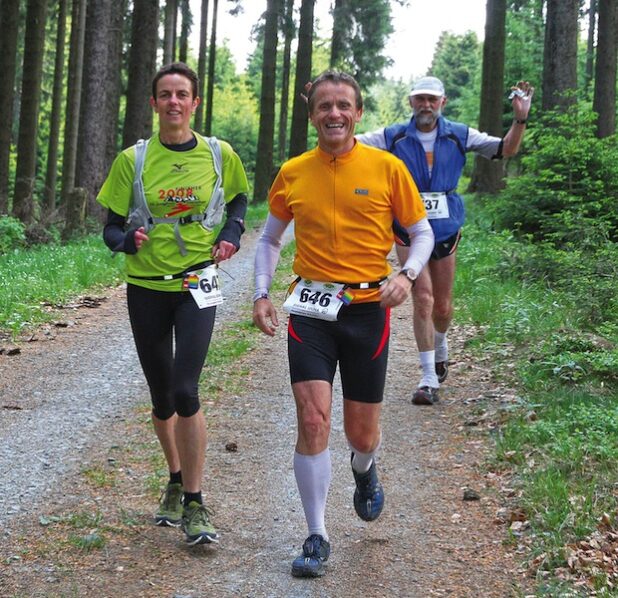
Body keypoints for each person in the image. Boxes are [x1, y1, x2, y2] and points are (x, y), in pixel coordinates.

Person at [252, 71, 434, 578]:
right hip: (311, 307)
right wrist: (261, 293)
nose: (334, 114)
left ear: (357, 113)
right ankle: (316, 534)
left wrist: (408, 274)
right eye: (324, 106)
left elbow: (420, 233)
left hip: (367, 308)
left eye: (343, 106)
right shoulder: (293, 171)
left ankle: (364, 468)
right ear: (312, 115)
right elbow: (268, 240)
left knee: (362, 433)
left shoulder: (387, 167)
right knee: (312, 419)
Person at [97, 62, 249, 545]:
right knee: (162, 398)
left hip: (196, 286)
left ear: (196, 102)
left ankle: (196, 504)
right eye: (166, 94)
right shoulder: (133, 160)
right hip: (146, 287)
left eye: (183, 94)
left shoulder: (219, 154)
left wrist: (231, 231)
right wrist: (127, 240)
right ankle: (175, 477)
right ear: (154, 104)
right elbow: (109, 227)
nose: (175, 102)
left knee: (186, 390)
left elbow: (241, 200)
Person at [357, 76, 533, 405]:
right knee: (422, 298)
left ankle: (440, 346)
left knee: (443, 306)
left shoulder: (459, 134)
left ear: (443, 102)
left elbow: (506, 148)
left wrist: (520, 117)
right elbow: (347, 142)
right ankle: (427, 379)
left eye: (432, 99)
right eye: (419, 99)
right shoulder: (393, 136)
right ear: (411, 102)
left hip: (446, 228)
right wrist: (328, 109)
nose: (425, 105)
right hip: (407, 227)